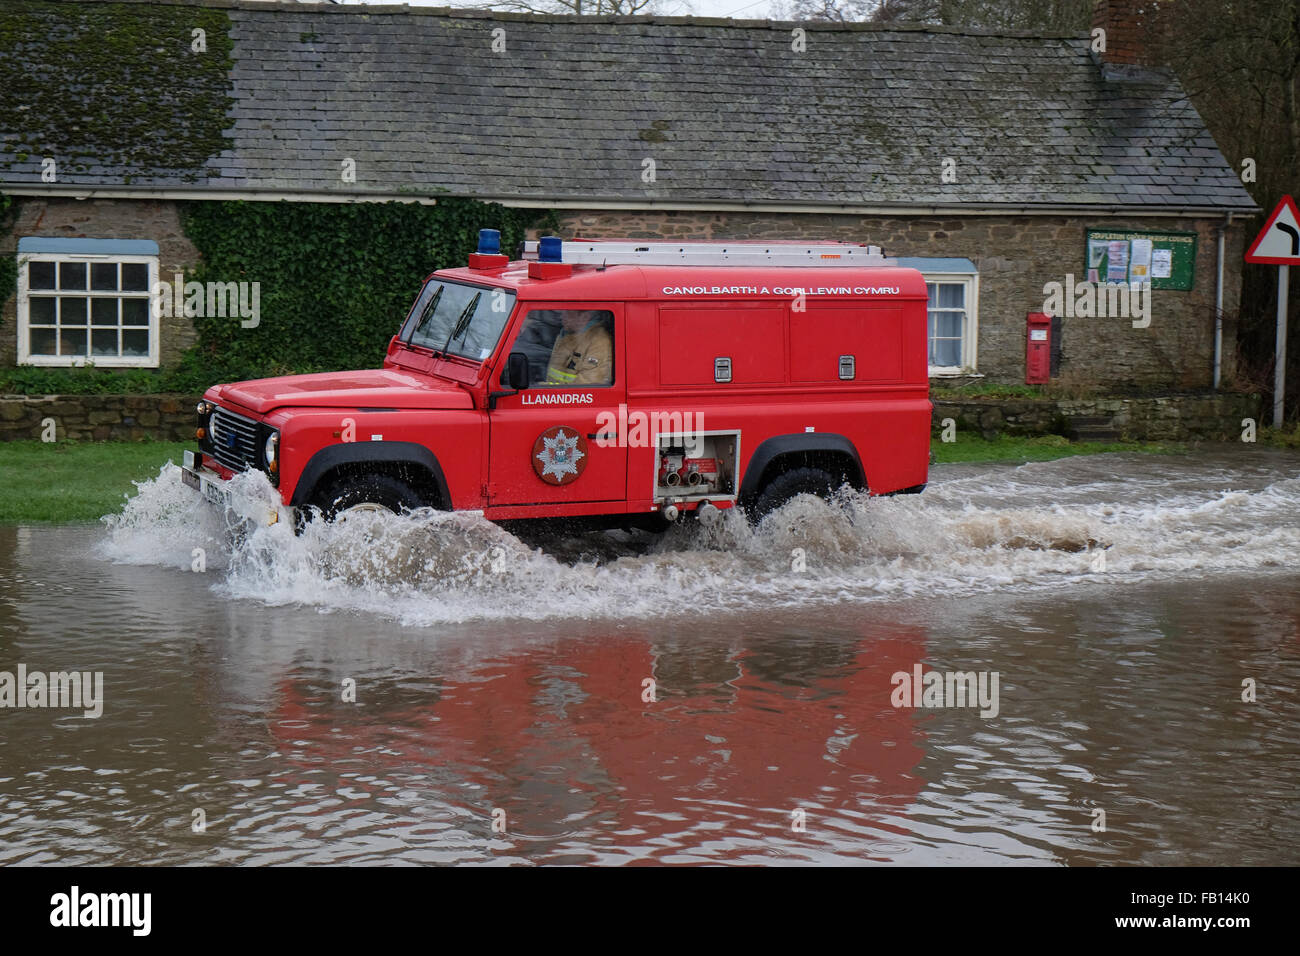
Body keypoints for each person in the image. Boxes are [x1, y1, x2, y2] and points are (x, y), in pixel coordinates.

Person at [546, 310, 612, 386]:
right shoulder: (565, 335)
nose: (561, 316)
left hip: (567, 396)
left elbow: (588, 385)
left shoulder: (599, 342)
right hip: (554, 395)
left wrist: (550, 390)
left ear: (584, 317)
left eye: (567, 312)